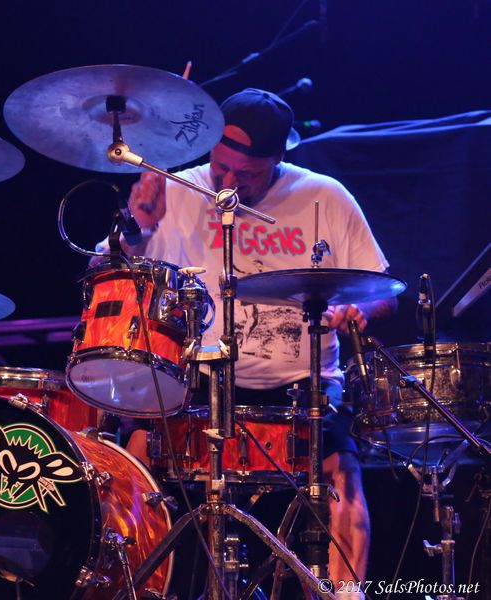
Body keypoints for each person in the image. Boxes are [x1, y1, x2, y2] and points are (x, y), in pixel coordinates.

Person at [114, 88, 396, 597]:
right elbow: (107, 274)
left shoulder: (325, 196)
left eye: (246, 175)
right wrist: (140, 228)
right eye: (221, 167)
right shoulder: (178, 189)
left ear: (278, 159)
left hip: (302, 385)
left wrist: (358, 311)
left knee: (343, 474)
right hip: (200, 379)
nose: (228, 183)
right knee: (135, 453)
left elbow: (381, 292)